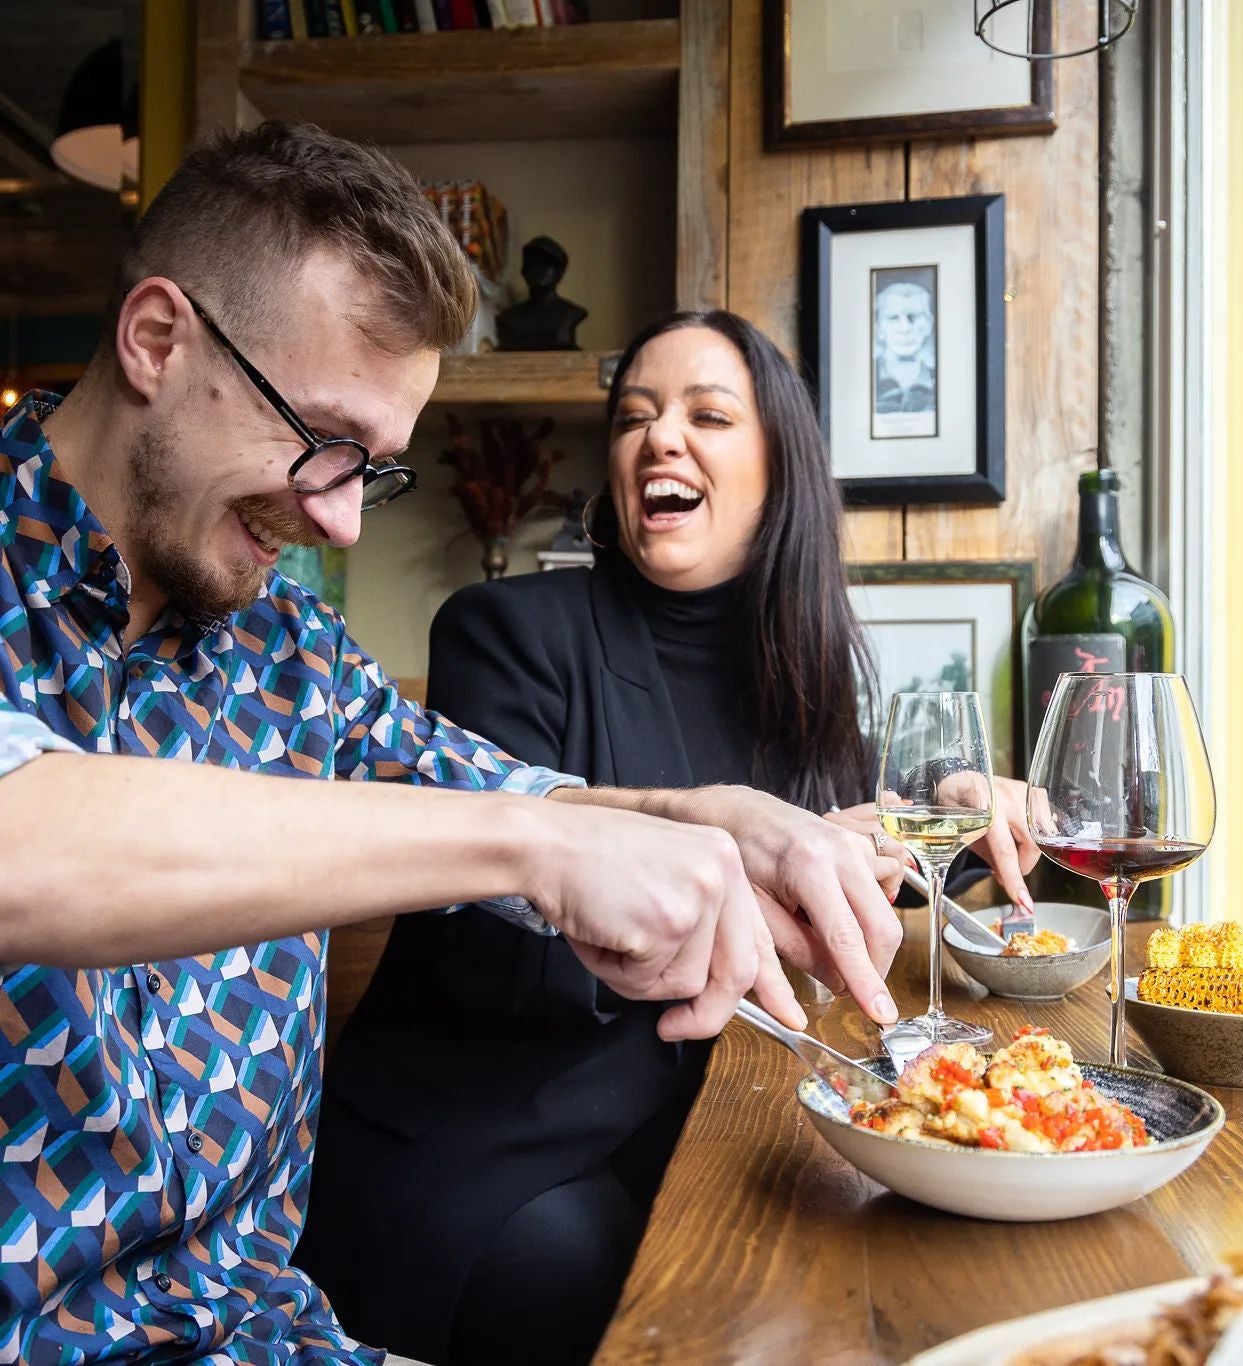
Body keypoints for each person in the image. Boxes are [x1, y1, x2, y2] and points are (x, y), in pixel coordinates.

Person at [0, 127, 910, 1363]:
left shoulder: (291, 653)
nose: (337, 519)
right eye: (321, 440)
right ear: (157, 340)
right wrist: (533, 840)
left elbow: (508, 794)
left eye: (371, 472)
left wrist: (712, 813)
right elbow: (24, 842)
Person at [301, 310, 1041, 1364]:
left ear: (779, 469)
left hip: (693, 1123)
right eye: (635, 418)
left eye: (707, 414)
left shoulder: (805, 676)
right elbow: (499, 954)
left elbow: (825, 888)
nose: (659, 439)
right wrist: (743, 855)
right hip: (493, 1145)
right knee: (655, 1288)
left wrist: (956, 830)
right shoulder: (501, 631)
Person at [874, 278, 936, 415]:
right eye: (893, 318)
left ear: (929, 324)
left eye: (913, 317)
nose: (905, 328)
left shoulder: (942, 379)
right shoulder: (863, 381)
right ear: (879, 328)